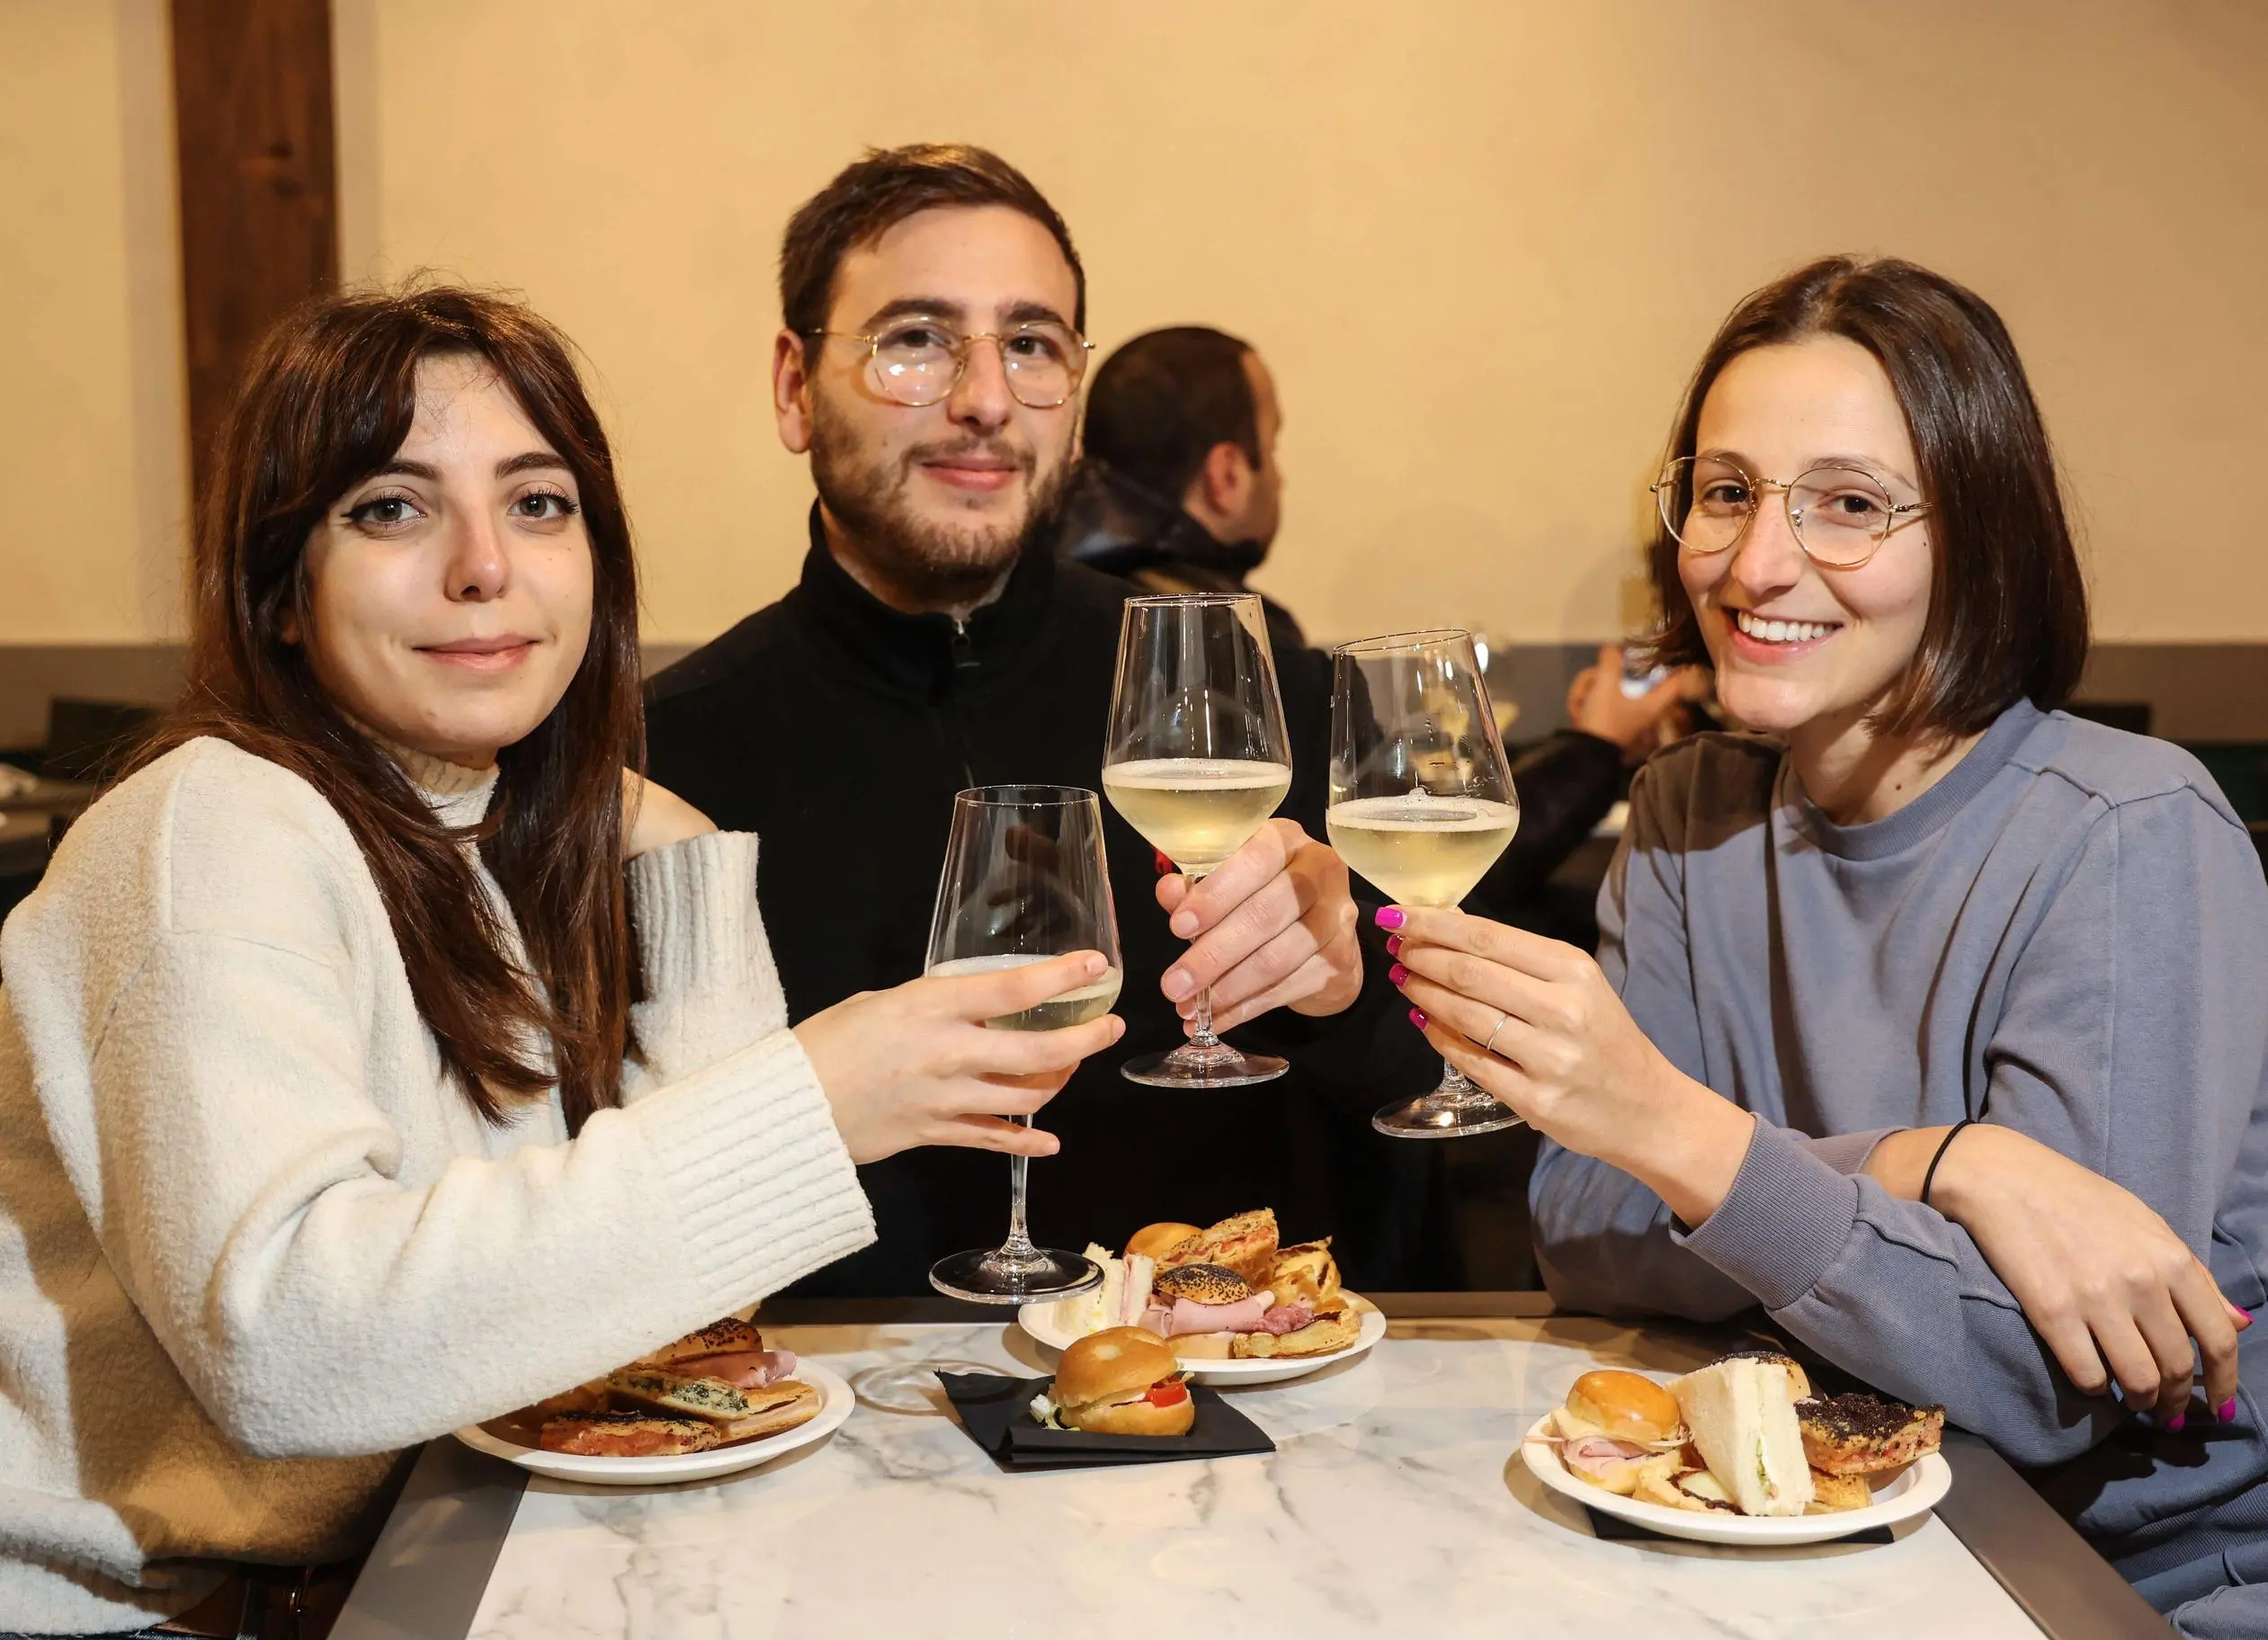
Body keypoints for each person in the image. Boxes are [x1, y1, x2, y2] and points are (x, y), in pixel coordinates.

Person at [0, 286, 1125, 1637]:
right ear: (278, 590)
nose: (484, 565)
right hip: (146, 1616)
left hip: (410, 1575)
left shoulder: (487, 833)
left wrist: (683, 861)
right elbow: (288, 1348)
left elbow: (671, 1316)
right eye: (391, 509)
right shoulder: (215, 826)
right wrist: (810, 1103)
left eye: (537, 503)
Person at [1382, 256, 2268, 1636]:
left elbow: (2037, 1378)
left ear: (1976, 539)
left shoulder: (2124, 828)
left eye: (1846, 506)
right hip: (1802, 1531)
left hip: (2118, 1576)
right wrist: (1937, 1164)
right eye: (1725, 491)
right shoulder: (1685, 813)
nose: (1755, 564)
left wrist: (1677, 1137)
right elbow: (1588, 1235)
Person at [647, 146, 1451, 1296]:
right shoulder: (666, 760)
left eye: (1030, 346)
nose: (982, 400)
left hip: (1222, 1415)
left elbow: (1439, 1112)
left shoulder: (1243, 688)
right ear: (792, 385)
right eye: (914, 339)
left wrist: (1340, 992)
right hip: (825, 1427)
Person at [1055, 325, 1694, 922]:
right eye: (1273, 449)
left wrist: (1574, 742)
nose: (1279, 476)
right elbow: (1391, 885)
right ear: (1227, 474)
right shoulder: (1238, 653)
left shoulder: (1058, 623)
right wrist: (1596, 747)